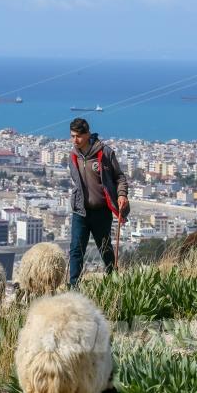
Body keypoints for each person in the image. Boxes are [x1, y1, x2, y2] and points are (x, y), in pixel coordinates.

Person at [67, 118, 129, 287]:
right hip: (80, 211)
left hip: (101, 210)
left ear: (87, 134)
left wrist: (122, 194)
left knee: (105, 248)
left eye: (78, 136)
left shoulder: (105, 153)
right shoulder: (73, 156)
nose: (75, 140)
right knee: (76, 250)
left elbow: (120, 177)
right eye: (72, 136)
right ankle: (73, 287)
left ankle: (113, 281)